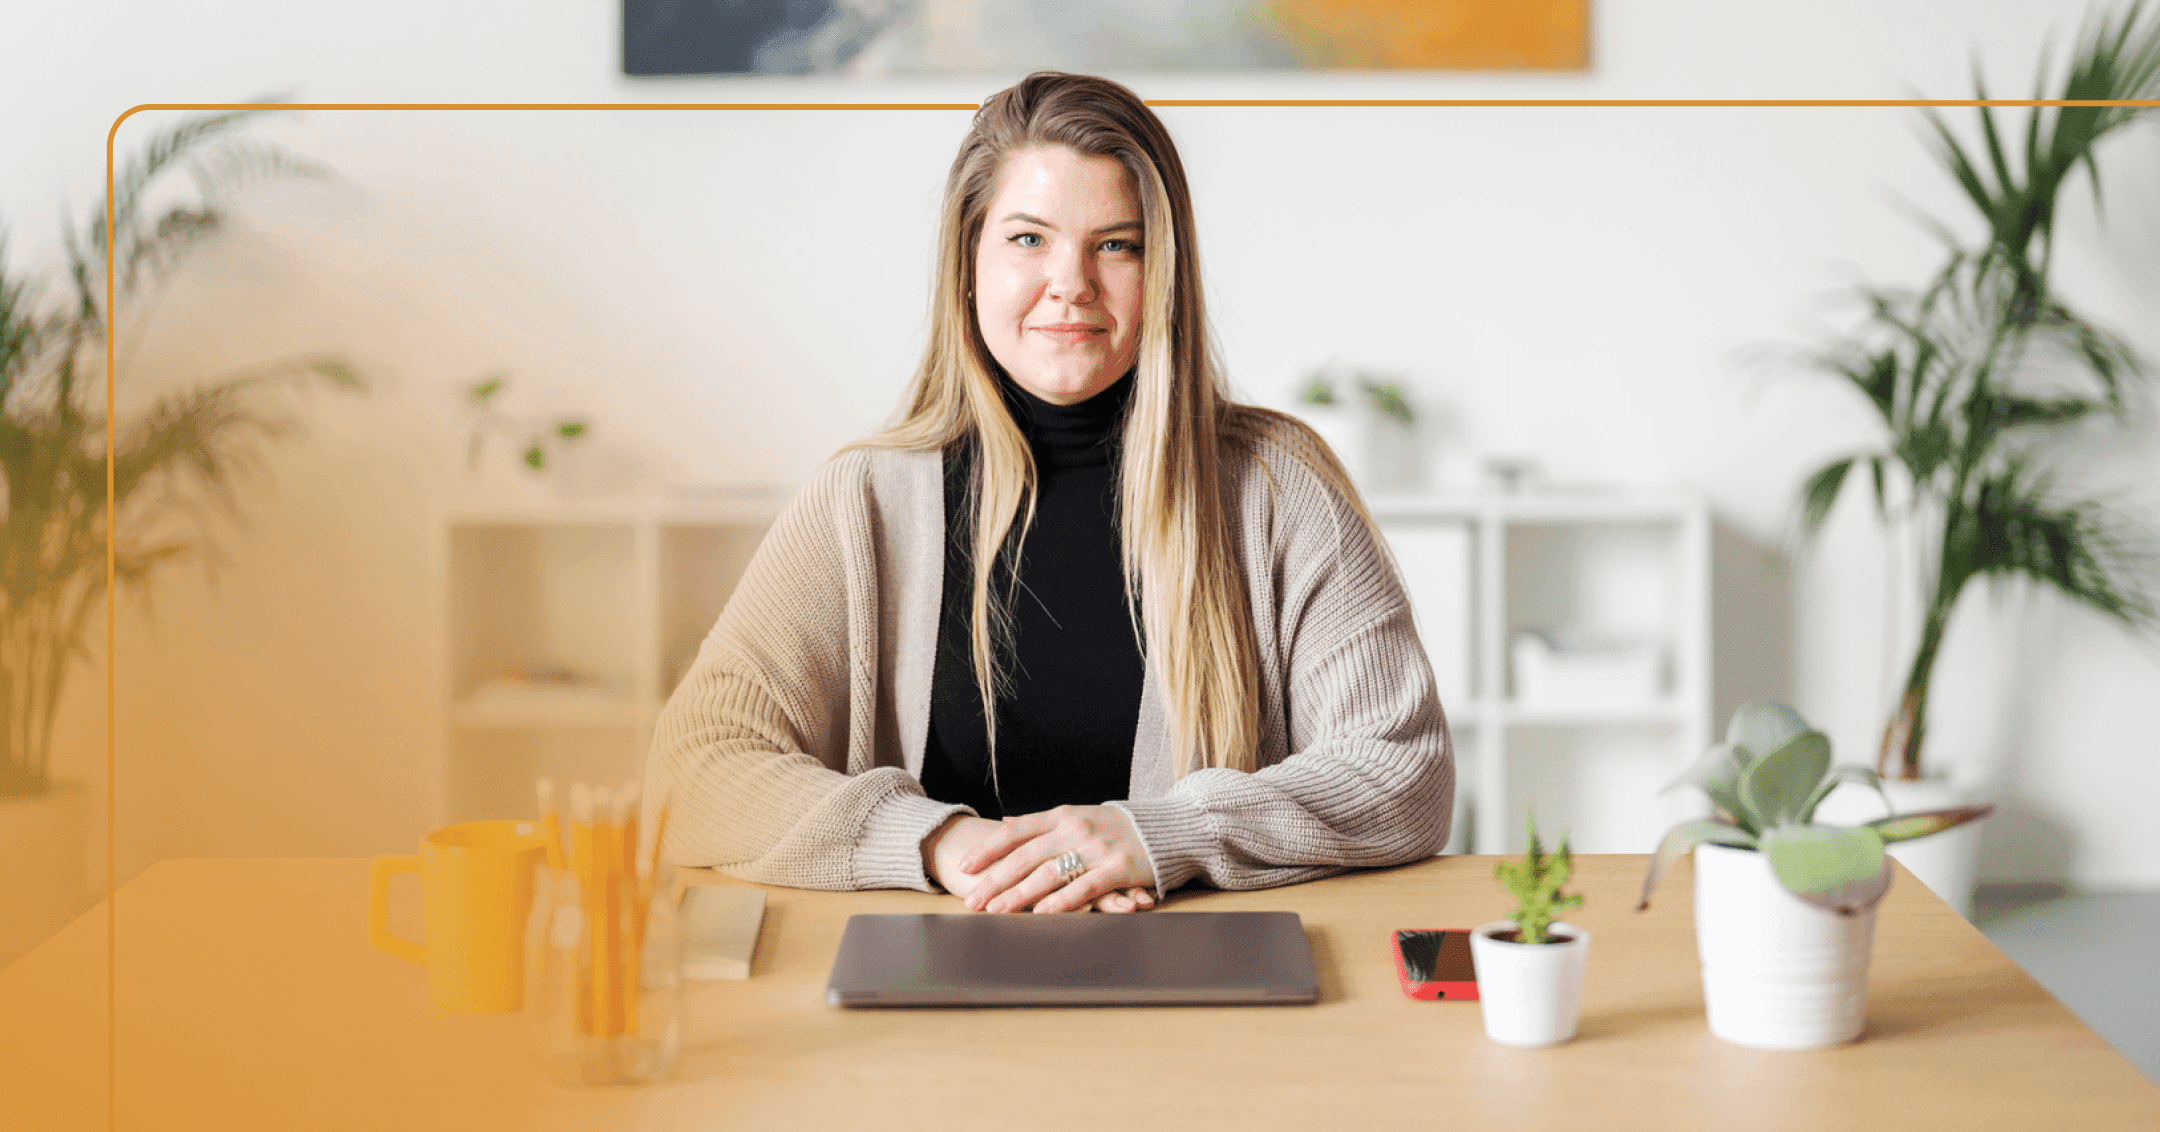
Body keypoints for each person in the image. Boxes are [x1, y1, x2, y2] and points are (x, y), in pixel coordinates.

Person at [647, 71, 1453, 915]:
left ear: (1165, 274)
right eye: (1029, 239)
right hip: (927, 999)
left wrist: (1155, 836)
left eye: (1118, 245)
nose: (1071, 283)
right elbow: (695, 769)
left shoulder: (1278, 489)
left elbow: (1402, 768)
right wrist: (935, 842)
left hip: (1205, 1005)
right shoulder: (866, 501)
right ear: (969, 263)